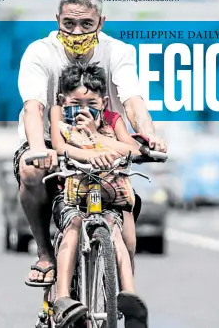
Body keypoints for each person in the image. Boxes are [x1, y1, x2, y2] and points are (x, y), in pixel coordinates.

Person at [15, 0, 167, 297]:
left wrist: (149, 136)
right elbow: (33, 107)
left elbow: (133, 101)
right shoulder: (40, 53)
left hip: (104, 142)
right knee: (30, 174)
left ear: (101, 22)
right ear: (56, 19)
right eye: (68, 23)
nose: (77, 31)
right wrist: (39, 148)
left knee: (125, 222)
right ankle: (45, 255)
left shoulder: (119, 52)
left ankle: (124, 296)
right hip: (49, 141)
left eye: (86, 23)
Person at [47, 61, 148, 327]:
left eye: (91, 102)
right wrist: (92, 153)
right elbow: (60, 147)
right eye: (75, 102)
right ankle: (62, 299)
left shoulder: (113, 121)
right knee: (74, 224)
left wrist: (96, 137)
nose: (82, 109)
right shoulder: (58, 116)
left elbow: (134, 150)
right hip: (70, 195)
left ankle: (130, 298)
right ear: (61, 100)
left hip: (105, 195)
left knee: (117, 232)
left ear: (103, 102)